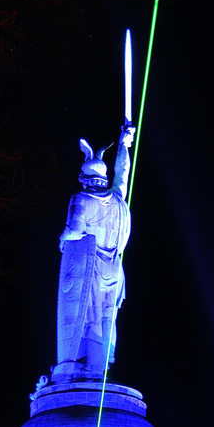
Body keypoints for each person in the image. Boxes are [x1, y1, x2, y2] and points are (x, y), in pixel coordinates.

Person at [55, 121, 135, 375]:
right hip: (115, 269)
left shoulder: (81, 200)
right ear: (103, 179)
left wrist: (62, 240)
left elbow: (75, 230)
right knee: (108, 318)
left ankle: (94, 367)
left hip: (93, 268)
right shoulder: (118, 199)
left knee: (91, 318)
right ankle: (101, 364)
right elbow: (123, 173)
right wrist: (124, 145)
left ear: (84, 178)